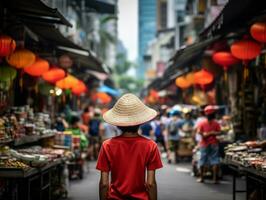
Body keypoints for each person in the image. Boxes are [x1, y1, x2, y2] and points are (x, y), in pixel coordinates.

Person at [96, 94, 163, 200]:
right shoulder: (150, 146)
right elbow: (150, 183)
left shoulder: (107, 145)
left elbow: (104, 183)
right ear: (140, 122)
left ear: (118, 124)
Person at [197, 105, 221, 184]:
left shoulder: (202, 123)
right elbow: (219, 132)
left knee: (202, 160)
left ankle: (201, 178)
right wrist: (212, 133)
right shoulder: (216, 123)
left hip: (204, 144)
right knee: (215, 160)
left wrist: (206, 134)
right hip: (214, 143)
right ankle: (215, 179)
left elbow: (199, 132)